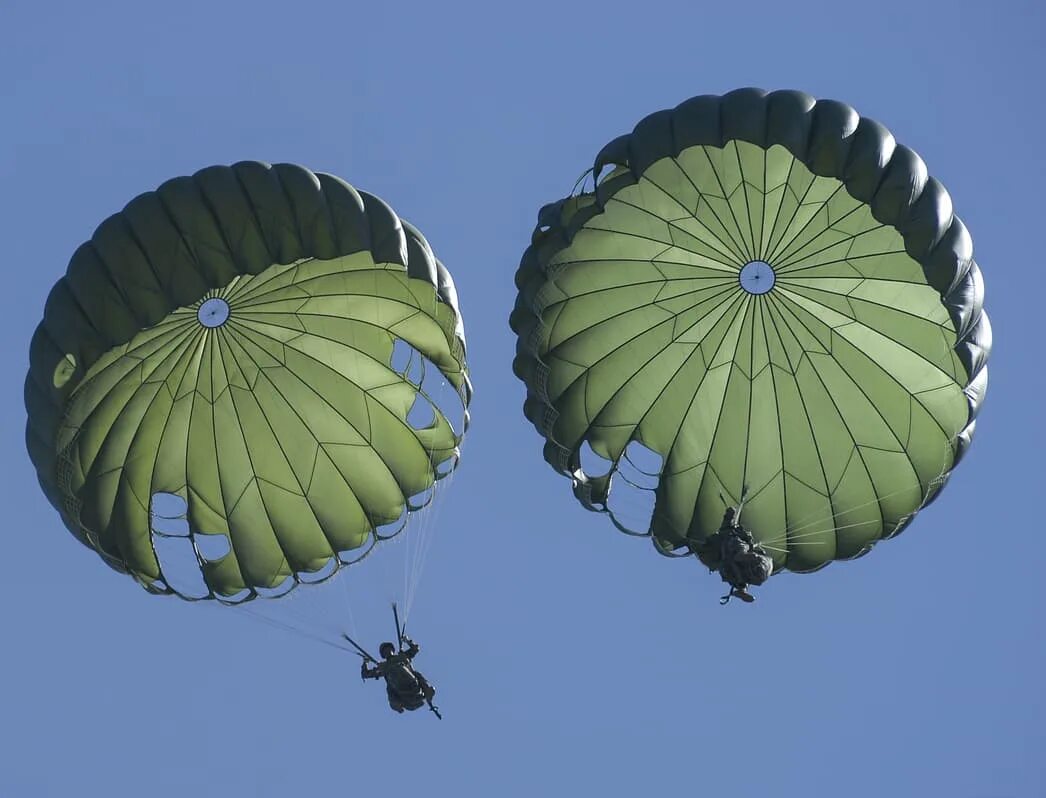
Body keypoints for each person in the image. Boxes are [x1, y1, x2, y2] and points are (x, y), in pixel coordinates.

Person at [698, 505, 774, 604]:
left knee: (739, 554)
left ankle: (742, 588)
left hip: (730, 561)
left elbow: (740, 555)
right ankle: (742, 589)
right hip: (730, 561)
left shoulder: (733, 538)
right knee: (741, 570)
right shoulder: (732, 536)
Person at [361, 636, 441, 718]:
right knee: (389, 685)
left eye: (389, 649)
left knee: (414, 673)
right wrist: (365, 663)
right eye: (385, 651)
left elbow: (415, 649)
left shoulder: (402, 656)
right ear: (383, 655)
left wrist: (407, 640)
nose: (387, 651)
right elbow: (365, 674)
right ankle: (396, 704)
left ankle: (428, 692)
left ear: (392, 650)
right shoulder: (383, 666)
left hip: (415, 689)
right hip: (404, 696)